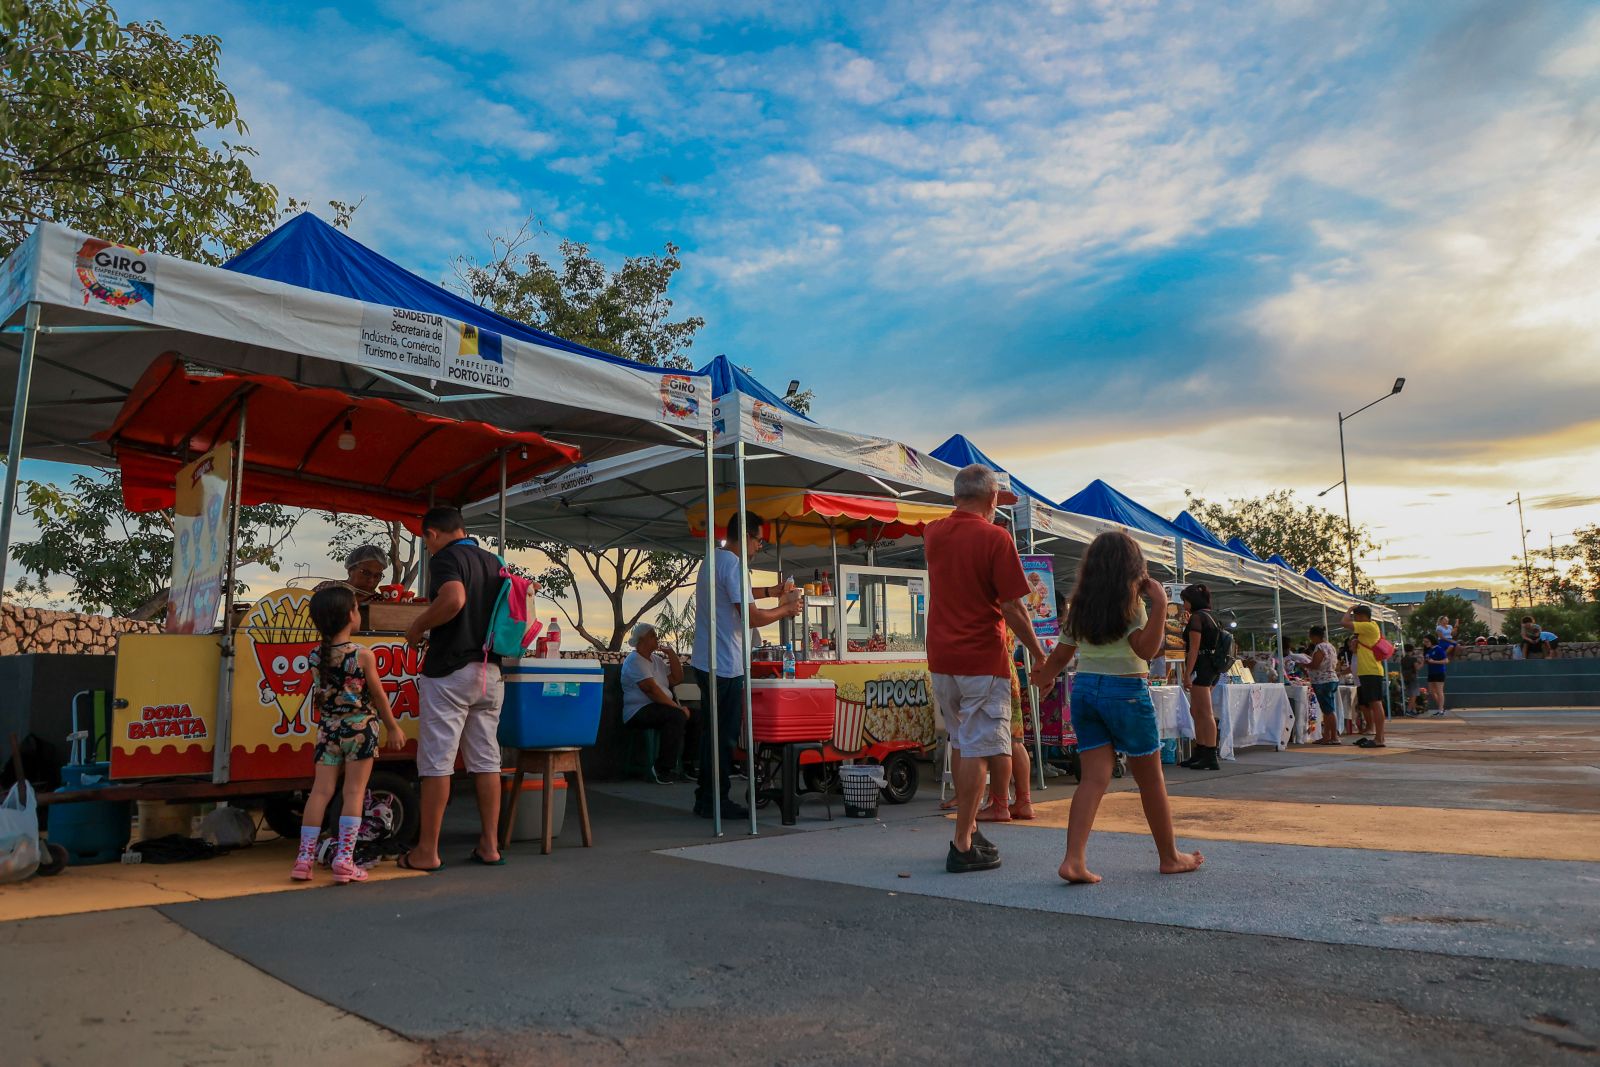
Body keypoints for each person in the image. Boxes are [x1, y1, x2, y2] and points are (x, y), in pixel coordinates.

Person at [1031, 531, 1204, 883]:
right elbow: (1146, 649)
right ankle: (1169, 856)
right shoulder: (1132, 604)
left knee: (1094, 779)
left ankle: (1073, 859)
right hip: (1125, 690)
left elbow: (1062, 655)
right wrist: (1157, 607)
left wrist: (1044, 678)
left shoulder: (1080, 605)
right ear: (1133, 567)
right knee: (1151, 779)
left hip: (1085, 691)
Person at [924, 464, 1048, 873]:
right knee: (980, 745)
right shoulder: (996, 537)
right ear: (992, 499)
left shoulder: (933, 534)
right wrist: (1038, 653)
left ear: (957, 495)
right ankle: (962, 842)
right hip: (981, 657)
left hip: (943, 657)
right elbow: (1012, 606)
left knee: (961, 741)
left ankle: (971, 825)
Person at [402, 507, 508, 870]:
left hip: (450, 671)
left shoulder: (447, 557)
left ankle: (427, 852)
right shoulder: (494, 561)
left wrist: (417, 628)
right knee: (486, 761)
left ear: (432, 534)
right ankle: (490, 845)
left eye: (425, 541)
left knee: (436, 762)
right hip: (489, 673)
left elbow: (453, 599)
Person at [690, 510, 803, 821]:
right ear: (747, 536)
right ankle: (718, 798)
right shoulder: (736, 566)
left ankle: (706, 796)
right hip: (725, 662)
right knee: (724, 735)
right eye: (759, 541)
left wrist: (771, 592)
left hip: (706, 658)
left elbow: (737, 596)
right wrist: (785, 608)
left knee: (711, 733)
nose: (758, 548)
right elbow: (751, 617)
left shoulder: (714, 559)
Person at [292, 586, 404, 883]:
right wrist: (393, 727)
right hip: (360, 729)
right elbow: (379, 697)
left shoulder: (315, 655)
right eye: (356, 608)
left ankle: (304, 860)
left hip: (328, 729)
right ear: (348, 616)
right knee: (353, 792)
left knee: (320, 791)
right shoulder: (362, 655)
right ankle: (344, 858)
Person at [620, 622, 691, 784]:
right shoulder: (634, 661)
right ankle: (662, 769)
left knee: (697, 717)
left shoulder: (656, 660)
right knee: (676, 717)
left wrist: (671, 654)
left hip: (660, 707)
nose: (657, 638)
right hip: (639, 711)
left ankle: (688, 765)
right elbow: (651, 690)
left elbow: (676, 678)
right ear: (642, 639)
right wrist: (677, 708)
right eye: (653, 635)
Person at [1177, 584, 1223, 770]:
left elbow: (1194, 648)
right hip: (1212, 668)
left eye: (1185, 601)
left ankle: (1210, 754)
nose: (1184, 604)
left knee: (1204, 712)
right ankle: (1202, 750)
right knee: (1196, 711)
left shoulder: (1197, 618)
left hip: (1202, 668)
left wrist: (1187, 673)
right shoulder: (1211, 617)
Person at [1342, 604, 1387, 749]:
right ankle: (1378, 736)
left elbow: (1344, 622)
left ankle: (1379, 738)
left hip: (1371, 670)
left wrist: (1349, 610)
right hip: (1367, 671)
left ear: (1361, 616)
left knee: (1375, 703)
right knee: (1373, 703)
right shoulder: (1368, 629)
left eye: (1355, 616)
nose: (1354, 619)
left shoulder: (1368, 626)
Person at [316, 544, 390, 602]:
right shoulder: (325, 589)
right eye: (366, 573)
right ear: (350, 570)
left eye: (377, 576)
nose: (371, 580)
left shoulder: (381, 602)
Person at [1306, 625, 1342, 744]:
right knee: (1327, 709)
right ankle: (1327, 736)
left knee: (1328, 710)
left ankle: (1334, 737)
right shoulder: (1330, 646)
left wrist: (1304, 664)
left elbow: (1315, 664)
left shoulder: (1320, 647)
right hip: (1331, 679)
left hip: (1322, 681)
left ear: (1314, 636)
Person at [1423, 633, 1450, 717]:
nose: (1425, 643)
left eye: (1427, 641)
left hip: (1439, 672)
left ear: (1432, 641)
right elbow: (1427, 660)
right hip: (1431, 672)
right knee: (1431, 691)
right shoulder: (1428, 650)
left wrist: (1434, 662)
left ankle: (1440, 710)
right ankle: (1441, 708)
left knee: (1439, 691)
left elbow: (1446, 661)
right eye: (1424, 642)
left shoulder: (1438, 649)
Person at [1400, 642, 1423, 715]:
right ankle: (1409, 710)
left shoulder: (1403, 659)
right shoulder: (1413, 659)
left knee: (1410, 695)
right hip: (1413, 678)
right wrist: (1422, 662)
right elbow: (1417, 668)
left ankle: (1414, 710)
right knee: (1414, 695)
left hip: (1406, 678)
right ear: (1412, 650)